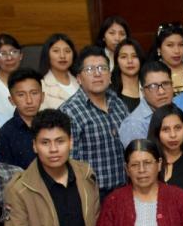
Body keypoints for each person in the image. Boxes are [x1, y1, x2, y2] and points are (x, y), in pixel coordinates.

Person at [60, 45, 130, 197]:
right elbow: (70, 163)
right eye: (90, 69)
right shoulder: (69, 111)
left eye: (102, 68)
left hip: (126, 189)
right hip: (93, 195)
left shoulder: (118, 103)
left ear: (110, 75)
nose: (98, 74)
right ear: (79, 78)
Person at [0, 67, 45, 168]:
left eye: (34, 93)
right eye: (21, 95)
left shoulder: (52, 126)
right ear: (11, 100)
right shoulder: (4, 135)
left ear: (43, 96)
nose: (29, 100)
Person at [119, 61, 175, 146]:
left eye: (166, 84)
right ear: (143, 92)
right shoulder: (134, 125)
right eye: (153, 86)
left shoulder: (178, 111)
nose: (161, 91)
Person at [38, 33, 79, 110]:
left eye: (67, 51)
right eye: (56, 51)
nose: (62, 56)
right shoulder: (41, 86)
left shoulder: (82, 80)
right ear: (47, 54)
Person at [0, 33, 24, 121]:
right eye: (3, 54)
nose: (9, 58)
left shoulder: (31, 82)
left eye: (14, 52)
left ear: (21, 55)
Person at [154, 23, 183, 95]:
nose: (177, 51)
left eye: (181, 45)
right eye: (170, 45)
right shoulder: (151, 72)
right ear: (159, 49)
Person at [112, 37, 145, 112]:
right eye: (123, 57)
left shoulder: (149, 88)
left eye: (135, 56)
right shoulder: (110, 93)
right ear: (117, 61)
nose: (130, 61)